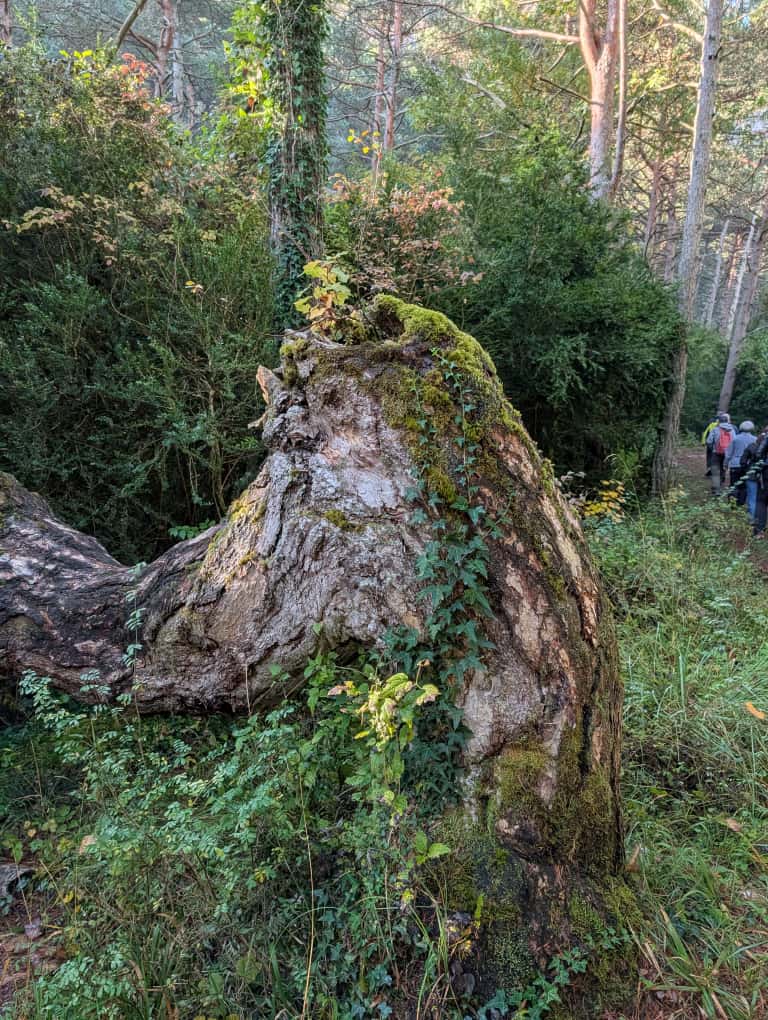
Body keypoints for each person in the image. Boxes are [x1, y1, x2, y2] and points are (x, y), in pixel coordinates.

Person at [724, 420, 756, 505]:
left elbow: (728, 454)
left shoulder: (735, 438)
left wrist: (725, 464)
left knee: (734, 484)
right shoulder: (755, 439)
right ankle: (741, 502)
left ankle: (732, 504)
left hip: (735, 464)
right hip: (747, 465)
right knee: (744, 485)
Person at [706, 413, 736, 495]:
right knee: (723, 469)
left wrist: (712, 449)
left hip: (716, 453)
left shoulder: (715, 429)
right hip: (727, 454)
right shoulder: (732, 430)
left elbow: (709, 441)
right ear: (727, 421)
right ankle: (721, 484)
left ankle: (716, 489)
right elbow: (734, 442)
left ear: (719, 421)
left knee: (715, 470)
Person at [701, 413, 721, 477]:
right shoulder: (722, 424)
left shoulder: (711, 423)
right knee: (717, 457)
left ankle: (709, 469)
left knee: (709, 457)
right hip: (719, 444)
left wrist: (703, 442)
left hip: (710, 444)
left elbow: (705, 433)